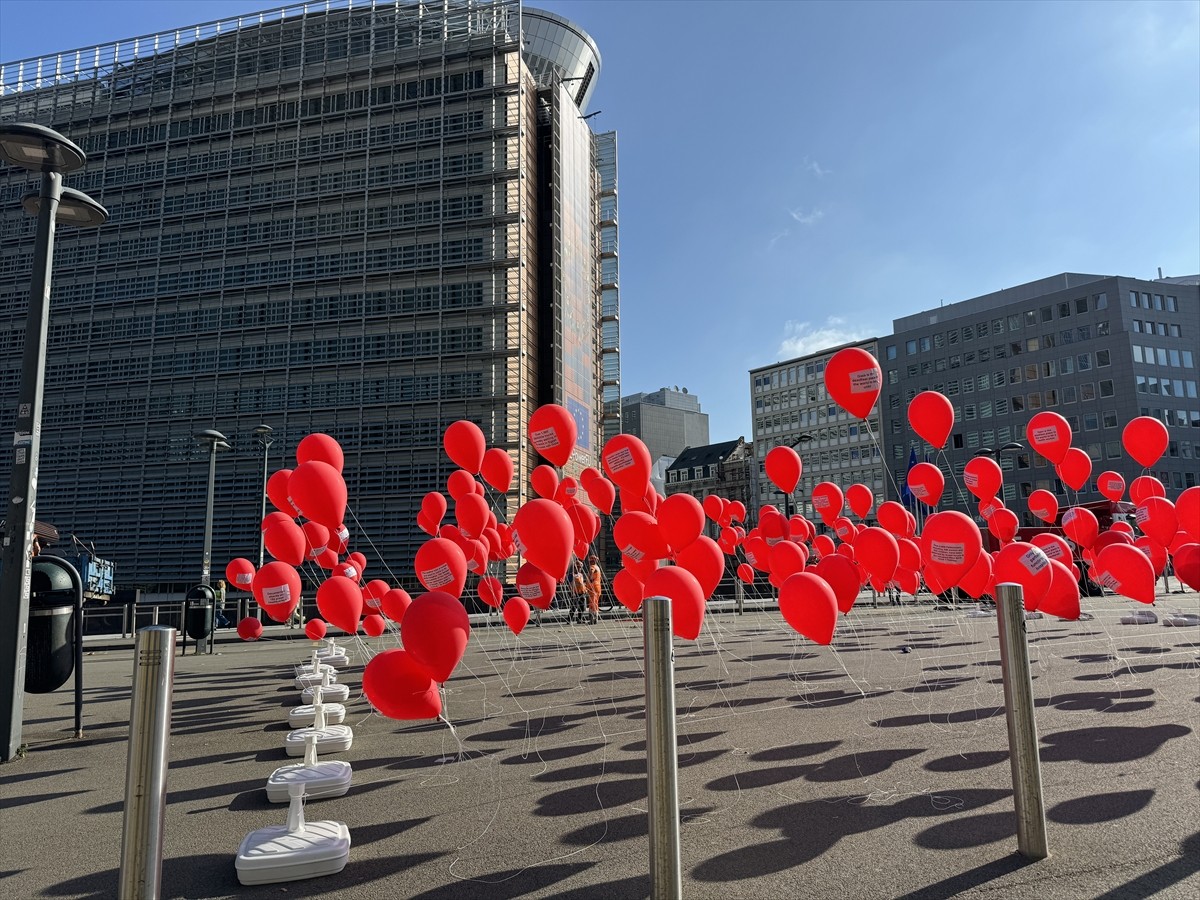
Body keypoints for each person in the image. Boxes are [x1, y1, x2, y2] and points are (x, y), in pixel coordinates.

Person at [585, 554, 602, 625]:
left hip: (592, 587)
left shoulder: (592, 567)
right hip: (598, 587)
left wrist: (589, 579)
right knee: (595, 603)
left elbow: (591, 572)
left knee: (592, 603)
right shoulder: (598, 567)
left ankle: (592, 619)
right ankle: (596, 619)